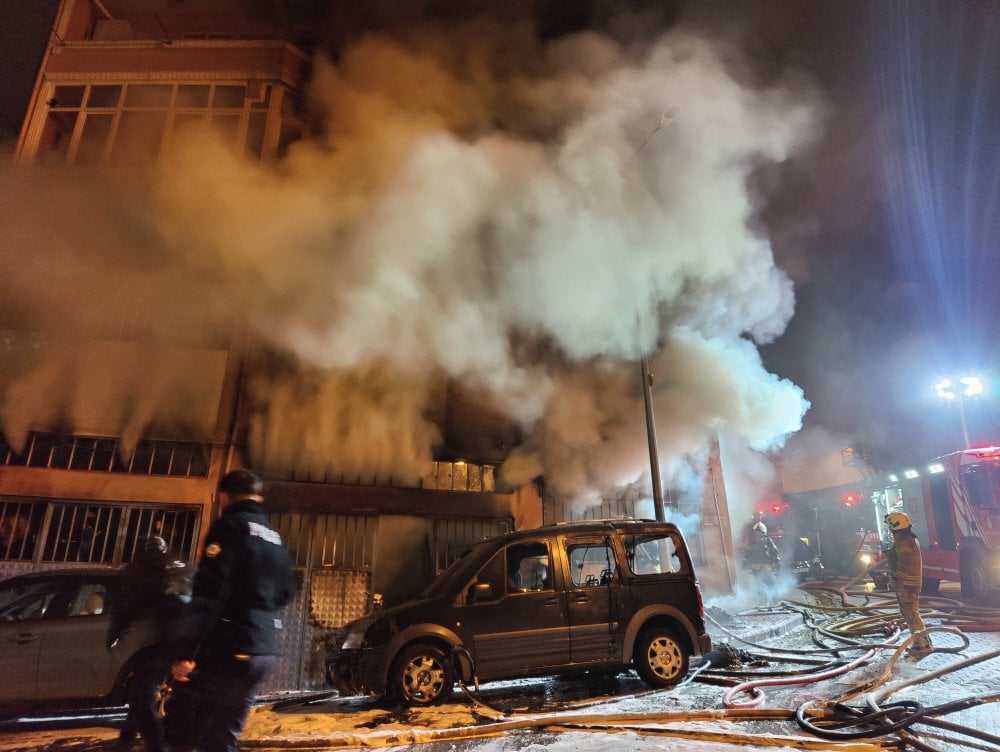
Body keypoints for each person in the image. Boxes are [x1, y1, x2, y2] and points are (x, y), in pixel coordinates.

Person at [169, 469, 295, 752]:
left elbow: (209, 593)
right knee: (223, 735)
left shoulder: (230, 527)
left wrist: (187, 652)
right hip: (263, 651)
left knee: (184, 730)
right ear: (258, 497)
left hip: (230, 649)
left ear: (224, 496)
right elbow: (287, 592)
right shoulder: (275, 537)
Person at [107, 535, 191, 752]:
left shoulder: (145, 568)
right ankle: (128, 738)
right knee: (143, 690)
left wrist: (116, 631)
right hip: (189, 638)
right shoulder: (182, 567)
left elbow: (127, 602)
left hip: (161, 640)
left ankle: (156, 745)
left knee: (143, 693)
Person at [884, 511, 931, 657]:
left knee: (911, 614)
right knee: (909, 613)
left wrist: (896, 578)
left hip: (906, 584)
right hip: (906, 583)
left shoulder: (904, 541)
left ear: (895, 525)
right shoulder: (906, 538)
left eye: (889, 526)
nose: (889, 529)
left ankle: (921, 644)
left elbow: (904, 563)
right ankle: (922, 641)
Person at [742, 523, 781, 604]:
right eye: (756, 532)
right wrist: (744, 567)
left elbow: (775, 553)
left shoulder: (768, 541)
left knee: (772, 584)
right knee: (760, 587)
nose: (757, 534)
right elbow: (746, 556)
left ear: (763, 533)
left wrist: (777, 565)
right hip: (757, 571)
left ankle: (775, 601)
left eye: (759, 532)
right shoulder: (751, 544)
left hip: (766, 570)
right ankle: (763, 602)